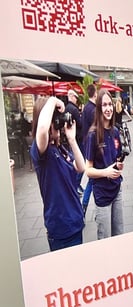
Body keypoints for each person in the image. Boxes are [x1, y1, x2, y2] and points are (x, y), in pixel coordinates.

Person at [30, 96, 86, 251]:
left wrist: (72, 140)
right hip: (62, 229)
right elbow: (42, 129)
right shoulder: (41, 153)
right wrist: (54, 101)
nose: (58, 124)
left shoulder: (60, 149)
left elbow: (81, 167)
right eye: (55, 120)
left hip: (75, 222)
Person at [83, 89, 125, 240]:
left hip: (117, 189)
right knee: (105, 238)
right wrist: (106, 172)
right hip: (102, 194)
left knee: (119, 235)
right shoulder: (93, 135)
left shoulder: (115, 131)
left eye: (110, 104)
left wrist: (118, 165)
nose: (108, 108)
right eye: (104, 105)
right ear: (99, 109)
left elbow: (116, 158)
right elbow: (88, 170)